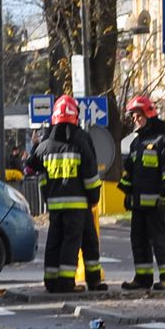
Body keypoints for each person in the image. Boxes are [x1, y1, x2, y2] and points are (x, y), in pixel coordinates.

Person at [25, 96, 105, 292]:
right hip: (79, 204)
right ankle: (67, 282)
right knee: (77, 241)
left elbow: (32, 167)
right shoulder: (81, 139)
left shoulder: (45, 143)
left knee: (56, 241)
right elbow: (90, 172)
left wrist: (47, 194)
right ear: (75, 116)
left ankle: (52, 281)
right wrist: (94, 197)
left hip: (55, 205)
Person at [119, 94, 165, 290]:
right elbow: (130, 172)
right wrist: (126, 192)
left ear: (148, 114)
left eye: (138, 115)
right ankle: (142, 278)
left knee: (160, 241)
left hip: (156, 203)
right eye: (133, 116)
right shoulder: (136, 144)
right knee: (139, 241)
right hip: (138, 204)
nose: (135, 119)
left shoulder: (162, 142)